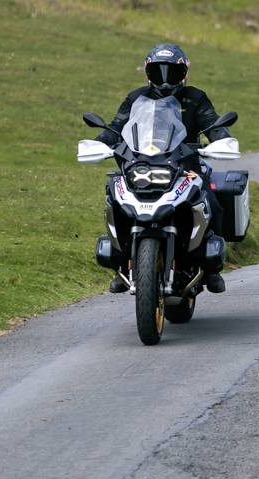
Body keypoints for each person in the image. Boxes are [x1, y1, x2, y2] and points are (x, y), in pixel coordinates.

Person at [96, 43, 231, 294]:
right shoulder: (136, 97)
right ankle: (121, 266)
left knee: (213, 202)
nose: (166, 79)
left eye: (172, 72)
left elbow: (212, 124)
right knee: (114, 199)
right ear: (149, 73)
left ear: (184, 73)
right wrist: (99, 144)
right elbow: (116, 127)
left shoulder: (195, 97)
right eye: (159, 72)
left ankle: (212, 269)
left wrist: (222, 139)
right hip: (140, 167)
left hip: (185, 168)